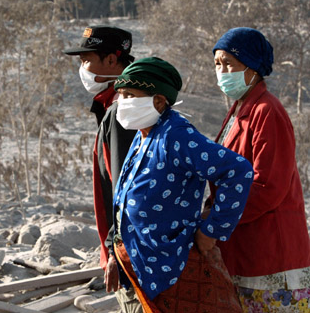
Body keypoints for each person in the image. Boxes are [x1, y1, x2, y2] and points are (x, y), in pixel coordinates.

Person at [105, 56, 254, 313]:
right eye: (120, 94)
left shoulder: (177, 136)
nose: (120, 102)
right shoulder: (143, 135)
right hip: (137, 266)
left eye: (129, 94)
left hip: (170, 270)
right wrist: (115, 254)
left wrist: (212, 230)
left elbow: (237, 171)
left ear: (159, 101)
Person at [207, 27, 310, 312]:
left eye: (229, 63)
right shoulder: (241, 107)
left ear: (252, 66)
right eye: (217, 63)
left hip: (270, 256)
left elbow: (268, 187)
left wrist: (217, 221)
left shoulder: (267, 111)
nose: (222, 70)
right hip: (244, 250)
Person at [64, 25, 140, 312]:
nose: (82, 69)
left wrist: (115, 252)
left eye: (87, 60)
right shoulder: (115, 102)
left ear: (112, 60)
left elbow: (126, 190)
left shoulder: (124, 109)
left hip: (130, 253)